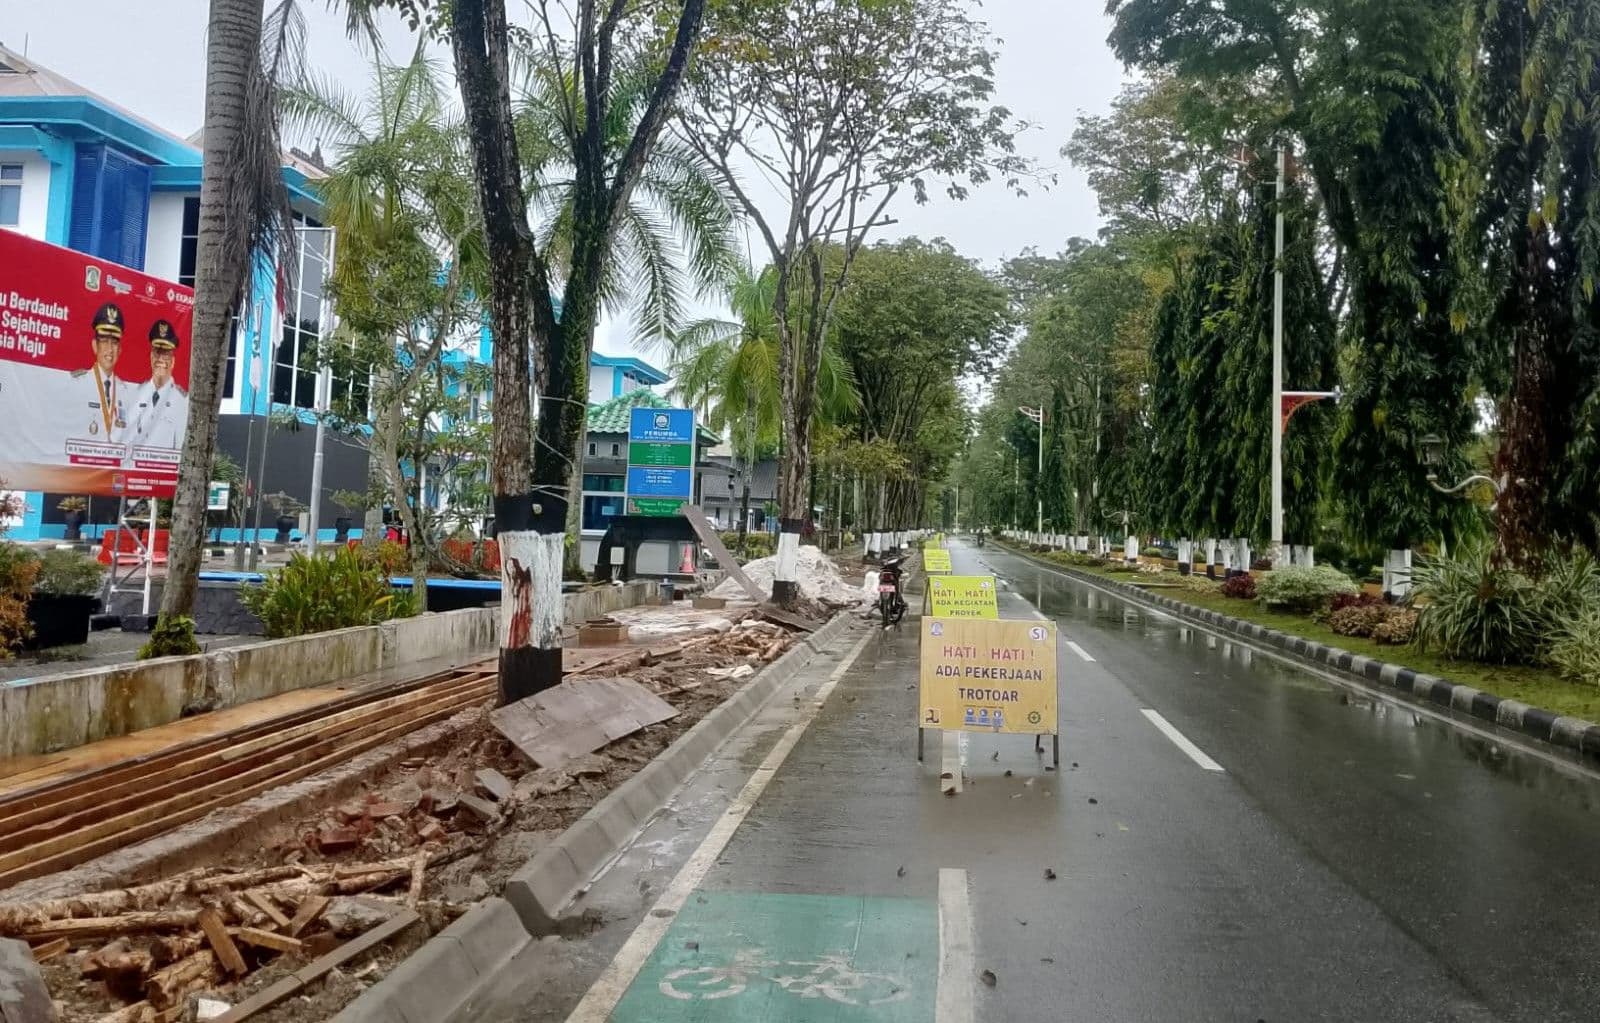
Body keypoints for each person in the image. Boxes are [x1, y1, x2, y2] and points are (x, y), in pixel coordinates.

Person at [68, 302, 131, 441]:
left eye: (114, 342)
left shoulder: (125, 391)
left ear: (120, 350)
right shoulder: (78, 383)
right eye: (104, 341)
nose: (110, 349)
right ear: (95, 346)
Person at [127, 319, 189, 450]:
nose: (160, 359)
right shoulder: (135, 395)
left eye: (166, 354)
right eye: (157, 352)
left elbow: (182, 448)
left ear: (172, 361)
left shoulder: (182, 402)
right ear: (151, 357)